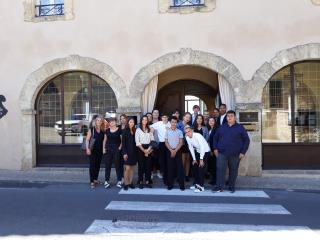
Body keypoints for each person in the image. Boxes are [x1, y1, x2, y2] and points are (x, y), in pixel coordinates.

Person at [213, 110, 250, 193]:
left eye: (231, 116)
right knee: (220, 170)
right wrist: (215, 149)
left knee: (233, 170)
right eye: (228, 116)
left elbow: (246, 140)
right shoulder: (222, 127)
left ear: (235, 117)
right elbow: (215, 138)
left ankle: (231, 186)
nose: (229, 117)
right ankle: (219, 186)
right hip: (222, 153)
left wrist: (243, 152)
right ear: (226, 117)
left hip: (235, 154)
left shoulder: (240, 128)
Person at [185, 125, 211, 193]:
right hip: (198, 151)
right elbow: (191, 148)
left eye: (189, 131)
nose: (188, 133)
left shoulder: (198, 135)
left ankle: (201, 187)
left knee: (201, 169)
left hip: (205, 151)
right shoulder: (187, 137)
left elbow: (202, 147)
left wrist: (201, 159)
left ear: (192, 130)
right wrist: (194, 159)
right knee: (195, 167)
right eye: (186, 132)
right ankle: (196, 184)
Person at [86, 115, 105, 189]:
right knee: (92, 166)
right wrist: (87, 149)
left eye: (100, 121)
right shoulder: (92, 129)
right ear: (95, 121)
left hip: (99, 151)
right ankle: (91, 181)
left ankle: (95, 179)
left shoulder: (103, 130)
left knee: (97, 165)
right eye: (97, 120)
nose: (99, 122)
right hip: (92, 150)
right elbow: (87, 140)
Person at [165, 116, 184, 190]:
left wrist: (175, 150)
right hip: (169, 151)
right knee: (170, 168)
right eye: (172, 122)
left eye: (175, 122)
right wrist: (171, 150)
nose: (174, 123)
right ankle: (170, 184)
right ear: (170, 122)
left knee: (180, 168)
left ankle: (181, 185)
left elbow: (181, 142)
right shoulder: (167, 131)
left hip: (178, 151)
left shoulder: (179, 131)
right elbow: (166, 142)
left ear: (177, 123)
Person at [151, 114, 171, 185]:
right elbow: (151, 128)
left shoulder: (170, 123)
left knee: (169, 160)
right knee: (162, 160)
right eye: (163, 117)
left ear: (168, 118)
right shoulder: (158, 123)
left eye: (166, 117)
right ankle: (164, 175)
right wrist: (152, 138)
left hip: (169, 144)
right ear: (161, 118)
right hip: (162, 144)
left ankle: (169, 176)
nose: (165, 118)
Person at [135, 115, 154, 188]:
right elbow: (137, 141)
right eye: (143, 120)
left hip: (148, 148)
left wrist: (148, 150)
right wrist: (144, 150)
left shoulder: (149, 129)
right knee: (141, 165)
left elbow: (152, 140)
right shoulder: (138, 130)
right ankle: (140, 180)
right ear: (141, 121)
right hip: (140, 148)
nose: (145, 121)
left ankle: (147, 180)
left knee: (148, 165)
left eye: (146, 120)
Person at [103, 117, 123, 189]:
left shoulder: (119, 130)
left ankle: (119, 180)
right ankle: (106, 181)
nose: (112, 123)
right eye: (110, 122)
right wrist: (103, 149)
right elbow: (105, 140)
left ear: (116, 122)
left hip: (116, 149)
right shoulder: (107, 130)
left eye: (113, 121)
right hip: (108, 149)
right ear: (109, 123)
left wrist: (120, 147)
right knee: (107, 165)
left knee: (118, 165)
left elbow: (122, 140)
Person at [122, 117, 138, 190]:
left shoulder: (135, 131)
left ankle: (131, 183)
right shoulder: (125, 131)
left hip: (134, 153)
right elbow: (123, 143)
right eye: (130, 122)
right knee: (127, 168)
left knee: (132, 168)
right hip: (127, 152)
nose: (132, 123)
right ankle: (126, 183)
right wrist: (124, 153)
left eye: (133, 122)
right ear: (128, 122)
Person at [177, 112, 192, 182]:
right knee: (182, 161)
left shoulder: (190, 126)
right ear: (183, 117)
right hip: (181, 145)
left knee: (188, 160)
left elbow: (191, 135)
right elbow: (177, 134)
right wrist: (184, 134)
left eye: (189, 117)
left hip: (188, 145)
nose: (188, 118)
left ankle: (186, 175)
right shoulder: (178, 125)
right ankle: (180, 175)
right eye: (187, 117)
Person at [207, 117, 218, 185]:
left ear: (215, 122)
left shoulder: (216, 130)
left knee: (214, 166)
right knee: (211, 165)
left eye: (212, 121)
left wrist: (213, 150)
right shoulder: (209, 129)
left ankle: (215, 180)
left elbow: (215, 141)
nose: (211, 122)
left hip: (214, 150)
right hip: (209, 150)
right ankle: (213, 179)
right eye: (210, 121)